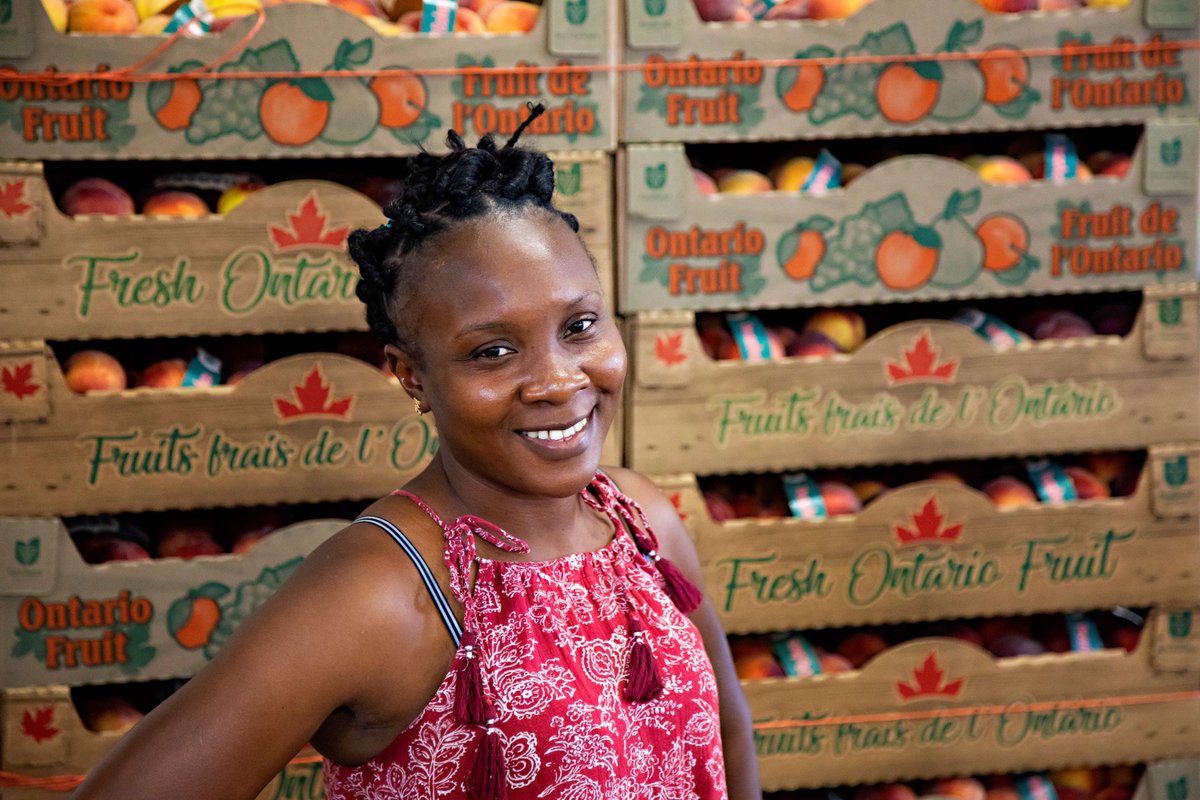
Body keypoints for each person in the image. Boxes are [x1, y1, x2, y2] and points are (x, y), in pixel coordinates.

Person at [74, 107, 760, 800]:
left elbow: (728, 740)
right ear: (411, 375)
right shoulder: (377, 589)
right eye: (493, 351)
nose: (557, 380)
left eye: (580, 326)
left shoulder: (642, 520)